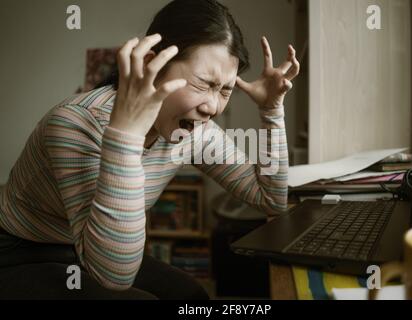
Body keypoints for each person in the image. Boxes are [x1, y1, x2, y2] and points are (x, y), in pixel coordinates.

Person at [0, 0, 299, 299]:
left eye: (224, 90)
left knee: (192, 296)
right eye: (203, 83)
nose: (212, 107)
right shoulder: (77, 124)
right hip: (22, 250)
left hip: (88, 248)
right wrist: (127, 134)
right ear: (151, 66)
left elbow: (270, 199)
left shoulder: (193, 130)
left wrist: (271, 111)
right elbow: (113, 276)